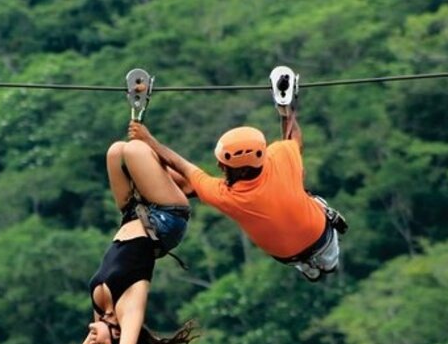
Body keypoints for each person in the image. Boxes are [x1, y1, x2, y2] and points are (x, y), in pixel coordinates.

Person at [39, 139, 209, 344]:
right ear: (117, 337)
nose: (93, 340)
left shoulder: (101, 318)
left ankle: (173, 184)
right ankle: (184, 183)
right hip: (166, 219)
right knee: (134, 150)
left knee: (116, 151)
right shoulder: (130, 311)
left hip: (133, 213)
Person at [128, 108, 346, 281]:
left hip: (287, 256)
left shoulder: (228, 196)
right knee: (328, 253)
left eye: (223, 164)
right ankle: (324, 266)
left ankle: (308, 268)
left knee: (307, 254)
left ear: (237, 170)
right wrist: (287, 109)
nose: (218, 166)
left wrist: (147, 144)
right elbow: (294, 136)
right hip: (322, 238)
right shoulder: (281, 155)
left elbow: (184, 171)